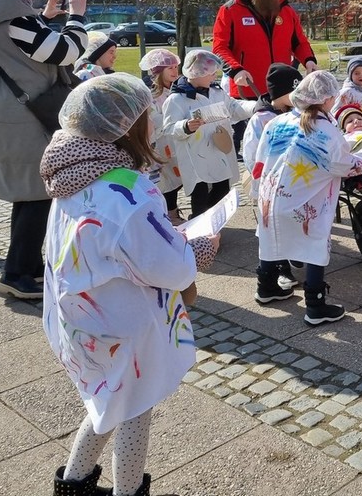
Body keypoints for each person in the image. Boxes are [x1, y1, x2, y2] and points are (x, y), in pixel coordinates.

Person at [42, 74, 218, 496]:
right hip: (124, 325)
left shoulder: (74, 176)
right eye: (147, 115)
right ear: (127, 127)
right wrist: (201, 247)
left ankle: (74, 482)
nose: (154, 122)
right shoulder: (126, 190)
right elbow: (169, 269)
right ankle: (128, 490)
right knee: (135, 409)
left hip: (82, 317)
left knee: (106, 403)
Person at [0, 0, 89, 299]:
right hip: (27, 117)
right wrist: (77, 17)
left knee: (29, 195)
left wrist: (44, 18)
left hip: (10, 113)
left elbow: (19, 48)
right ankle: (16, 273)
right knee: (37, 195)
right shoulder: (15, 18)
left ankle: (29, 267)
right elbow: (66, 51)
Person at [251, 71, 362, 324]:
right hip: (305, 202)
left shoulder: (277, 122)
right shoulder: (326, 130)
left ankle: (266, 287)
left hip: (271, 198)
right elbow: (346, 166)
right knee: (314, 247)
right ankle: (316, 305)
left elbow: (260, 159)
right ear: (327, 99)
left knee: (270, 239)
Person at [211, 0, 318, 152]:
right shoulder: (230, 10)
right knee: (256, 150)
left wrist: (309, 60)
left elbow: (299, 42)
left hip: (283, 92)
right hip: (248, 92)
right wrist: (235, 70)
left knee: (287, 147)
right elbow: (219, 47)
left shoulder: (285, 9)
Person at [161, 49, 257, 217]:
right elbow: (169, 127)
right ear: (196, 73)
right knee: (200, 195)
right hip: (196, 157)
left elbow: (234, 108)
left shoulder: (217, 92)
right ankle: (199, 222)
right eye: (211, 74)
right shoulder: (176, 99)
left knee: (222, 189)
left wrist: (256, 107)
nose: (215, 77)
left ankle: (212, 220)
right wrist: (185, 126)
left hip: (219, 151)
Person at [241, 62, 304, 300]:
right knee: (272, 230)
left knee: (292, 223)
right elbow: (252, 155)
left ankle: (292, 256)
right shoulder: (261, 119)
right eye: (294, 91)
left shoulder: (295, 113)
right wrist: (266, 178)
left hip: (294, 182)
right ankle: (280, 270)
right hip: (270, 185)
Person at [139, 48, 185, 225]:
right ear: (158, 71)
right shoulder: (151, 96)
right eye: (169, 68)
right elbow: (156, 121)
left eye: (176, 67)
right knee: (165, 182)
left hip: (176, 142)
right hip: (159, 146)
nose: (174, 71)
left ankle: (171, 211)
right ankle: (169, 214)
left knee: (177, 179)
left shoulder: (178, 90)